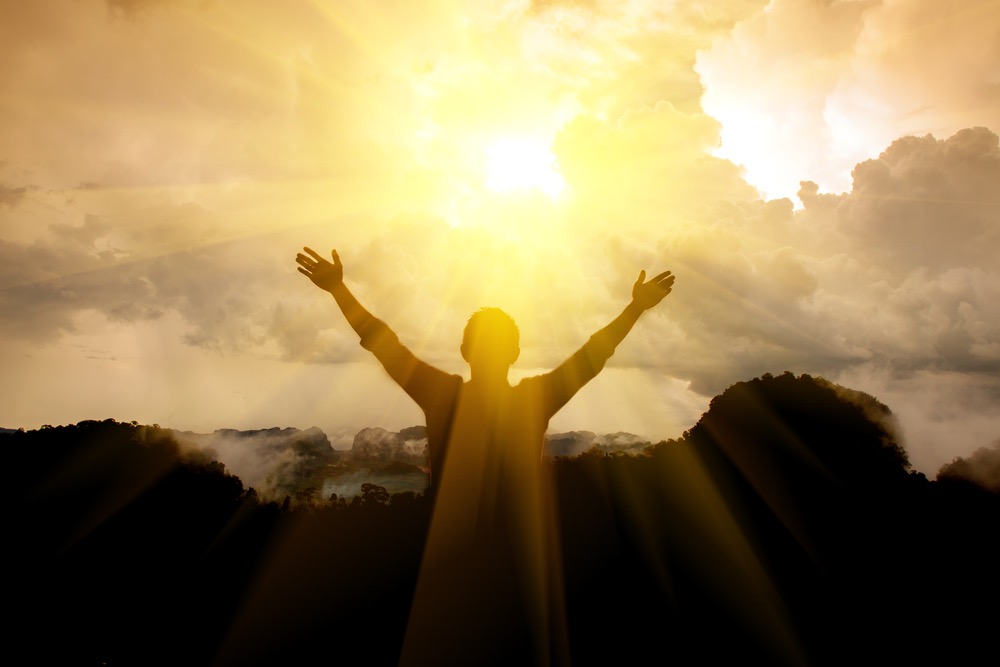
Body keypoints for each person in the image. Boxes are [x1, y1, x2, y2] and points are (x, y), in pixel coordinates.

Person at [295, 246, 675, 666]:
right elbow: (592, 355)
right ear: (513, 353)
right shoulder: (534, 399)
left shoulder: (443, 396)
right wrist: (634, 309)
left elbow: (383, 343)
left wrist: (339, 289)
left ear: (464, 351)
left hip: (456, 566)